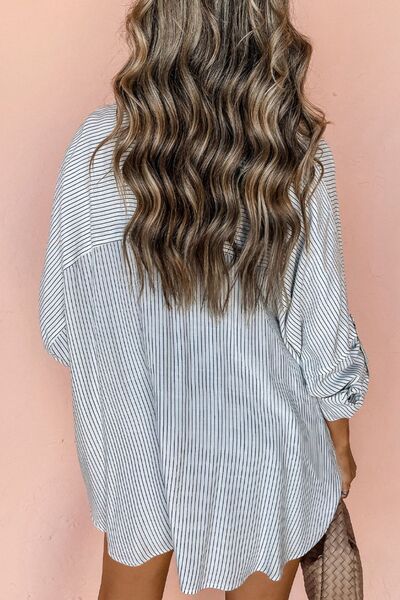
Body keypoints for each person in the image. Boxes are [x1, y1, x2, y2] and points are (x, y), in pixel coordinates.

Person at [38, 1, 370, 599]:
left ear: (159, 18)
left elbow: (62, 325)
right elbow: (320, 332)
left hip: (137, 446)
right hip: (265, 452)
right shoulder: (295, 156)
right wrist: (340, 444)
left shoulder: (96, 148)